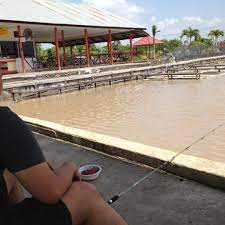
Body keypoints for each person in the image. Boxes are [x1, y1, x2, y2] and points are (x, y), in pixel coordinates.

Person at [0, 71, 128, 225]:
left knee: (9, 174)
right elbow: (51, 191)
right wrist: (69, 166)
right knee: (85, 194)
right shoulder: (4, 121)